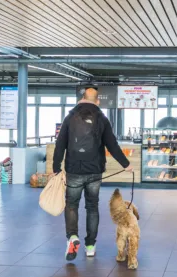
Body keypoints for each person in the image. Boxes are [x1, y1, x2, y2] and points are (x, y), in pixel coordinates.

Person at [53, 85, 133, 261]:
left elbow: (60, 144)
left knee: (72, 205)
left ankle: (72, 237)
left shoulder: (70, 117)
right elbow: (112, 145)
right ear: (97, 101)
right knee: (92, 207)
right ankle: (90, 245)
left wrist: (56, 167)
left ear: (81, 98)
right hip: (95, 171)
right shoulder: (102, 119)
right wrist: (126, 164)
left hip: (74, 169)